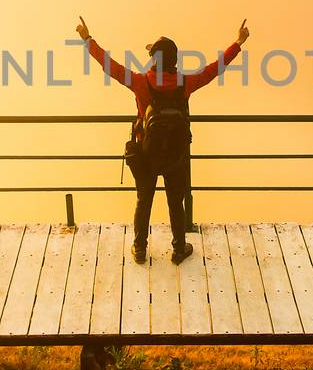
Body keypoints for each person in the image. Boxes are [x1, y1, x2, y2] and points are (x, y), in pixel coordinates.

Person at [75, 17, 250, 264]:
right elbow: (214, 69)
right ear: (174, 61)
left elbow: (110, 67)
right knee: (175, 203)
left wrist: (87, 39)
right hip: (177, 155)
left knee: (143, 199)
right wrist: (238, 42)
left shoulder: (140, 82)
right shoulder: (185, 83)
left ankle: (139, 249)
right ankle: (179, 248)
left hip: (146, 152)